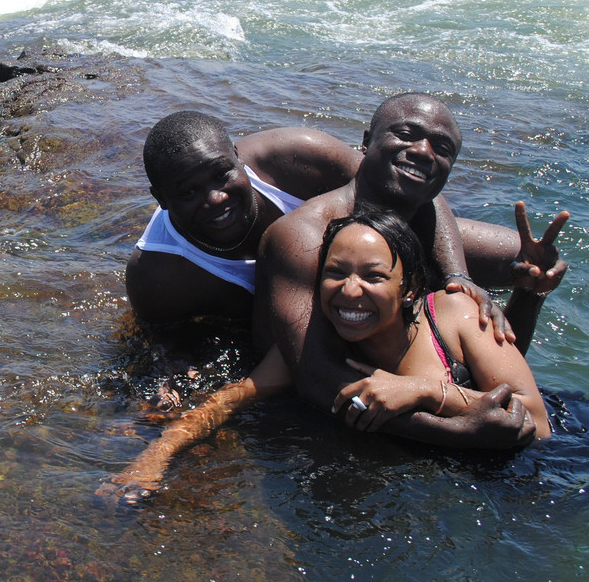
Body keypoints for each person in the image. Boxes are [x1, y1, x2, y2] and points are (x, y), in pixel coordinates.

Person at [102, 202, 564, 504]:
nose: (350, 291)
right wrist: (152, 459)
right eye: (335, 272)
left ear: (409, 289)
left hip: (555, 465)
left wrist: (421, 390)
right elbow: (230, 399)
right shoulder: (321, 344)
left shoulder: (456, 316)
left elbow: (536, 424)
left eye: (374, 276)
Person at [255, 92, 568, 447]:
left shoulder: (421, 223)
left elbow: (497, 383)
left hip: (422, 406)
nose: (422, 151)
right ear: (366, 142)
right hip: (310, 415)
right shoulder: (304, 235)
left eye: (442, 148)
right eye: (406, 134)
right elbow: (316, 378)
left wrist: (529, 293)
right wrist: (456, 432)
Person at [125, 111, 362, 331]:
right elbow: (164, 345)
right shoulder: (155, 276)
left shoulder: (300, 158)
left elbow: (381, 185)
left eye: (221, 175)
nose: (216, 198)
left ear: (238, 158)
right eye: (189, 192)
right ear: (160, 199)